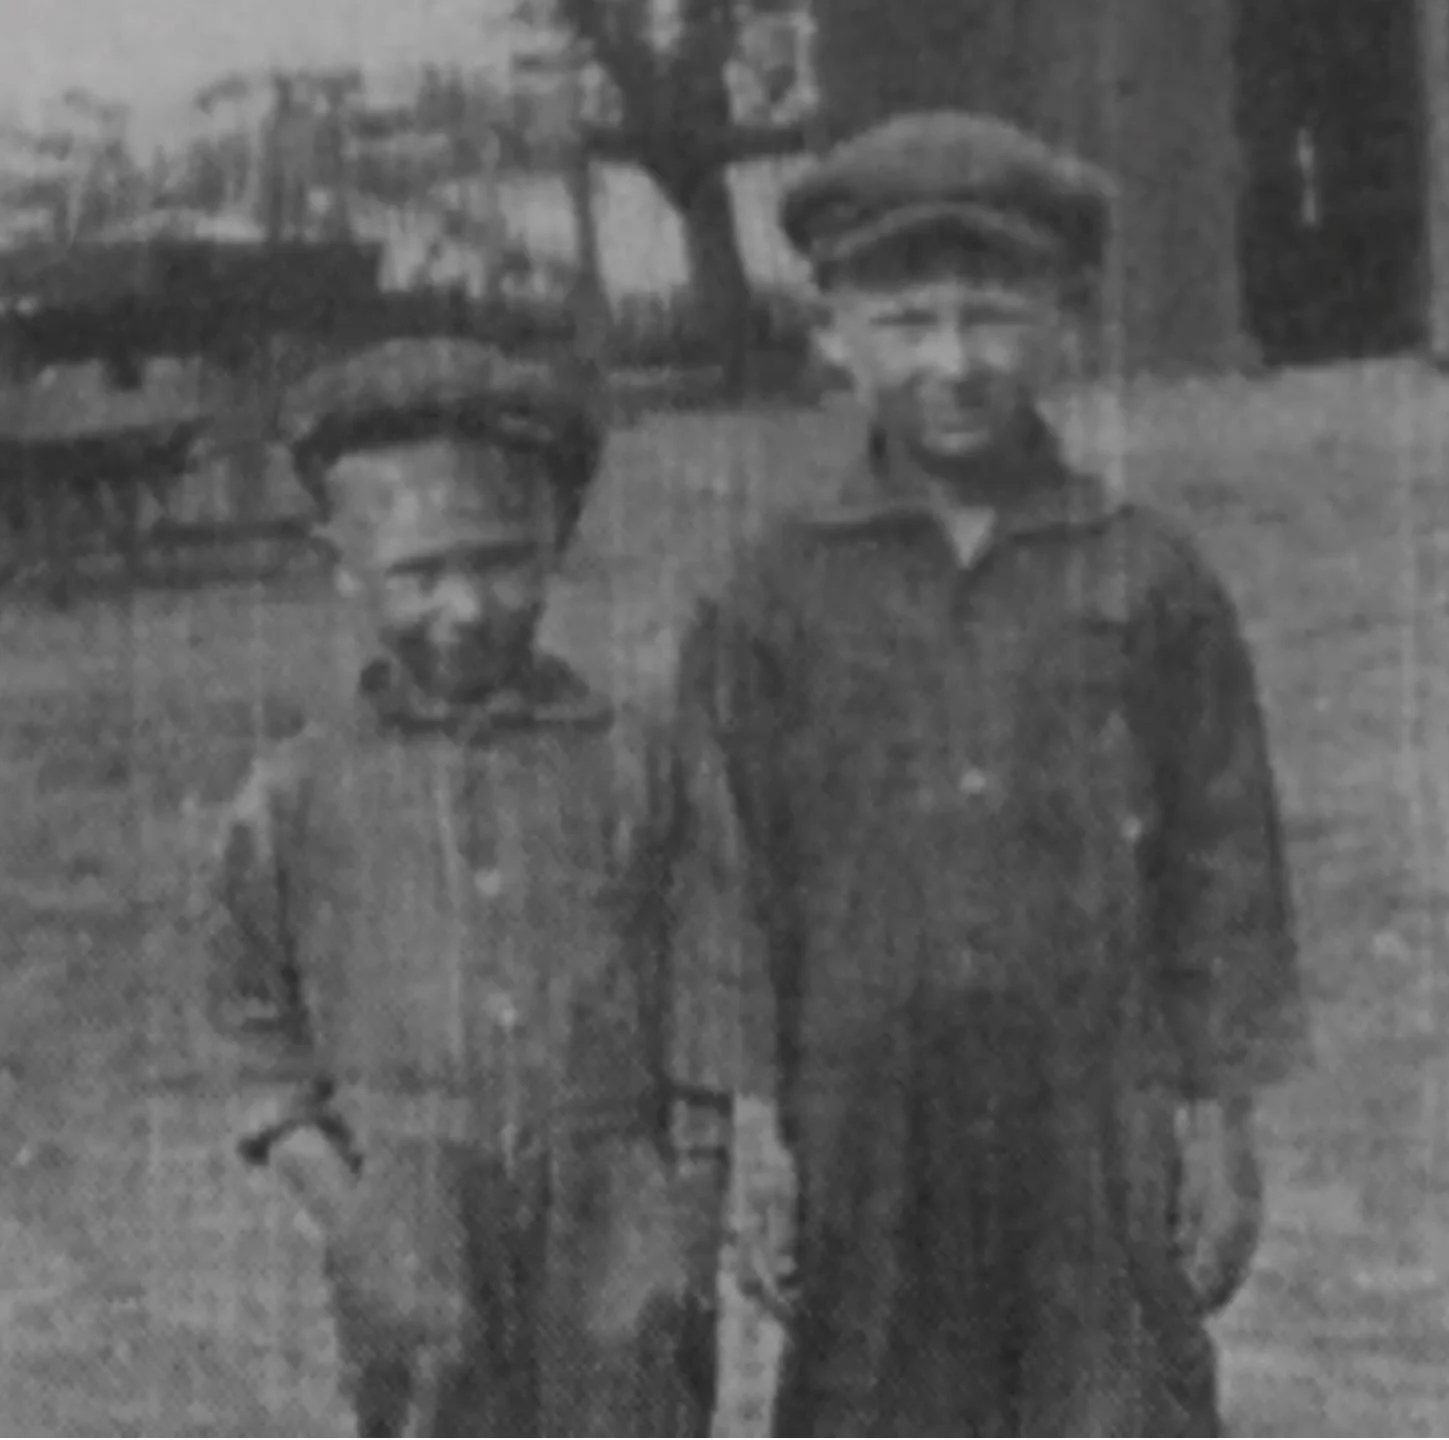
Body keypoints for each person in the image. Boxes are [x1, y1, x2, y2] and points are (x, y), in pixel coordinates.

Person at [589, 110, 1314, 1435]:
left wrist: (1220, 1119)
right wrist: (748, 1129)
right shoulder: (770, 595)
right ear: (832, 335)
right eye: (908, 320)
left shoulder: (1145, 574)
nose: (956, 359)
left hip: (1095, 1099)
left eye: (992, 316)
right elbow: (721, 878)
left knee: (1118, 1404)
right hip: (862, 1104)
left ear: (1064, 322)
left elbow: (1224, 860)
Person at [196, 337, 704, 1436]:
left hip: (615, 1207)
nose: (464, 607)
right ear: (343, 564)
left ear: (556, 544)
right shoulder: (297, 793)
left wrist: (685, 1203)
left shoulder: (640, 764)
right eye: (418, 572)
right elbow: (250, 1020)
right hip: (408, 1203)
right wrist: (350, 1207)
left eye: (500, 560)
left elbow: (717, 976)